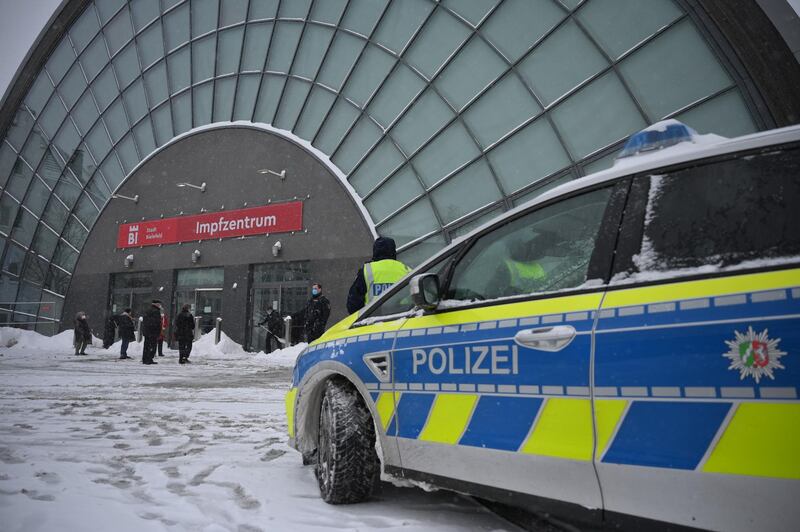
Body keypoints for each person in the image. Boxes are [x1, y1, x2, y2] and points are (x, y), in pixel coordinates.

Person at [347, 236, 410, 314]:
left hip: (373, 320)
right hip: (402, 319)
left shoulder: (367, 270)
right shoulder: (406, 270)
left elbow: (353, 304)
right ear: (393, 251)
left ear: (375, 251)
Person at [141, 300, 162, 365]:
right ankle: (149, 359)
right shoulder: (156, 311)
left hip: (147, 331)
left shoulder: (148, 310)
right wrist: (157, 330)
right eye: (159, 304)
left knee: (147, 345)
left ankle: (145, 359)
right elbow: (156, 322)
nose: (160, 306)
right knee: (152, 346)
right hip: (152, 332)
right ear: (156, 304)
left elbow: (146, 321)